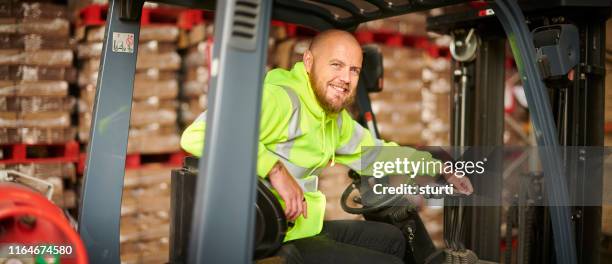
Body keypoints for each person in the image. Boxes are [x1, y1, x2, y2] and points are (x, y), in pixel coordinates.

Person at [180, 30, 473, 263]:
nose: (345, 79)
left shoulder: (332, 118)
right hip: (265, 238)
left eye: (354, 70)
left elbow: (375, 153)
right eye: (336, 65)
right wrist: (275, 170)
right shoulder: (279, 99)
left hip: (299, 227)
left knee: (393, 239)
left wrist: (440, 169)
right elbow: (198, 135)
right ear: (309, 62)